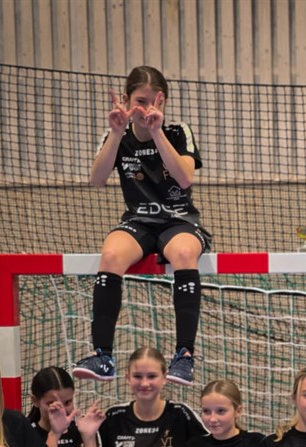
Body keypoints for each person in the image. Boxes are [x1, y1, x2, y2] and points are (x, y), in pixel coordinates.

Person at [72, 65, 212, 386]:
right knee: (111, 255)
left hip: (178, 219)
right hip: (138, 221)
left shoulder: (177, 132)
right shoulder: (117, 135)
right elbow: (97, 180)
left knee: (184, 253)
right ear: (126, 100)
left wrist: (157, 132)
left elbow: (184, 178)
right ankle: (103, 355)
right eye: (139, 101)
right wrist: (116, 132)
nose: (145, 109)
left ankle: (184, 356)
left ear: (163, 102)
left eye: (153, 102)